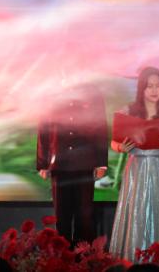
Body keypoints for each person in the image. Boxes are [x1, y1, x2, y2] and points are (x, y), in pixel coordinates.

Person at [109, 67, 159, 260]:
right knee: (136, 214)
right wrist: (121, 147)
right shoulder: (128, 112)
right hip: (136, 168)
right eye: (149, 86)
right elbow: (114, 142)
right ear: (141, 88)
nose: (154, 90)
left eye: (158, 86)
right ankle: (132, 259)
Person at [36, 82, 108, 244]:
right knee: (61, 215)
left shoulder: (92, 91)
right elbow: (43, 126)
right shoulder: (50, 91)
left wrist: (101, 162)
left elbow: (100, 125)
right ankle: (63, 254)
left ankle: (84, 255)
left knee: (85, 215)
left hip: (85, 161)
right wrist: (42, 162)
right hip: (59, 162)